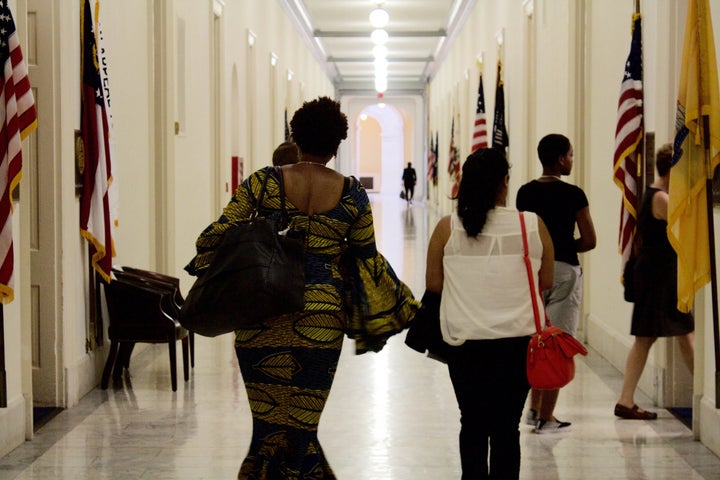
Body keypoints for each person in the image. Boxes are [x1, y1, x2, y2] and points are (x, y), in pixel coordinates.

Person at [185, 96, 419, 479]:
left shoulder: (264, 181)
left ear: (295, 135)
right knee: (302, 426)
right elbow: (367, 260)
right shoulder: (353, 194)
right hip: (322, 319)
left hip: (261, 311)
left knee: (268, 428)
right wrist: (400, 304)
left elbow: (214, 237)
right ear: (337, 144)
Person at [426, 148, 554, 479]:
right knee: (506, 428)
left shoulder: (446, 228)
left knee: (472, 422)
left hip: (464, 342)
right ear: (505, 182)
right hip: (517, 342)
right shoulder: (532, 225)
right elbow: (547, 281)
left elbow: (434, 285)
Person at [516, 133, 596, 434]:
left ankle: (532, 408)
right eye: (571, 155)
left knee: (535, 340)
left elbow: (526, 232)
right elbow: (589, 240)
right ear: (561, 159)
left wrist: (544, 249)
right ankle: (547, 417)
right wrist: (562, 245)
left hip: (534, 272)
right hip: (564, 272)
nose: (572, 160)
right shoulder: (575, 194)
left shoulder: (524, 193)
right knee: (558, 343)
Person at [615, 143, 695, 419]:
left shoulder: (654, 193)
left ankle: (626, 400)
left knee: (670, 334)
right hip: (659, 277)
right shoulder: (661, 198)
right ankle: (705, 395)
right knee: (670, 333)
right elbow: (684, 227)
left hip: (659, 275)